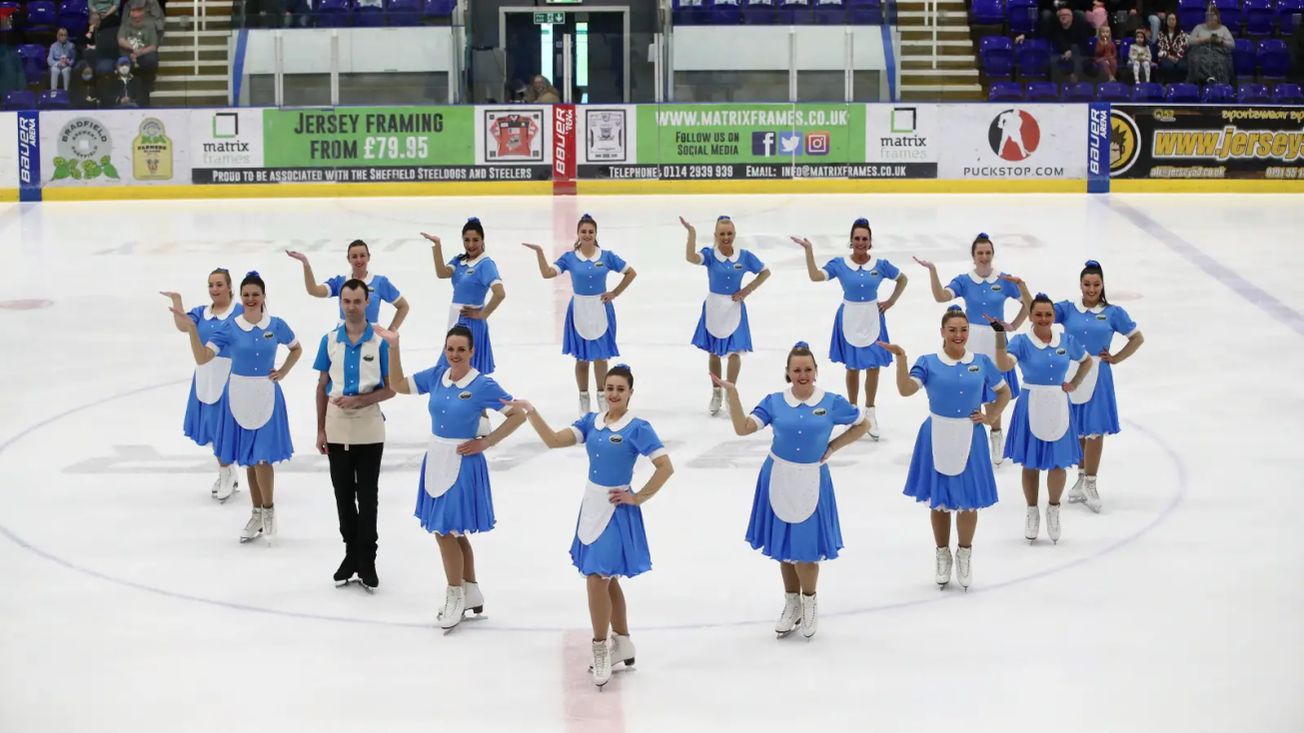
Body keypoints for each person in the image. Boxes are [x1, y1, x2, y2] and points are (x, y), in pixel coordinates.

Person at [506, 364, 674, 687]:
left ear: (630, 393)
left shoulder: (638, 428)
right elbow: (555, 440)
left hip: (616, 509)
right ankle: (622, 641)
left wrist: (638, 497)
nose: (613, 394)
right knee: (608, 582)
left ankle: (600, 647)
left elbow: (665, 467)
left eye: (619, 389)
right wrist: (531, 411)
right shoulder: (591, 423)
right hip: (592, 506)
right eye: (609, 388)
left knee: (597, 579)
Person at [373, 324, 527, 631]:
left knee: (445, 532)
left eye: (461, 349)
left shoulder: (482, 385)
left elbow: (518, 413)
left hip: (463, 462)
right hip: (437, 458)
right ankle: (470, 590)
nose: (454, 355)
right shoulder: (437, 375)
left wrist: (487, 441)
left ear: (472, 352)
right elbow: (399, 384)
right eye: (450, 348)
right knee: (454, 532)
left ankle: (454, 594)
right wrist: (393, 346)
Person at [713, 342, 868, 639]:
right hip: (779, 476)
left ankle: (810, 602)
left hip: (812, 478)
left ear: (816, 371)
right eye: (797, 370)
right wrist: (732, 394)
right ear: (787, 372)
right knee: (785, 546)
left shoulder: (831, 402)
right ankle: (792, 603)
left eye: (808, 369)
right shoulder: (774, 402)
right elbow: (744, 428)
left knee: (806, 549)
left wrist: (834, 447)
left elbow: (863, 424)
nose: (803, 374)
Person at [880, 307, 1011, 590]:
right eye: (952, 329)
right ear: (942, 332)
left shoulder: (981, 361)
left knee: (969, 500)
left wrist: (991, 417)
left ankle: (964, 553)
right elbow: (905, 389)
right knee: (939, 499)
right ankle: (942, 553)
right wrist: (901, 359)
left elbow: (1004, 392)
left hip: (971, 434)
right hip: (937, 433)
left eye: (963, 329)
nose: (958, 335)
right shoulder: (928, 363)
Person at [169, 271, 302, 544]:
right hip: (238, 396)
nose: (251, 299)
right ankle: (256, 513)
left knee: (263, 457)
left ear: (264, 296)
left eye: (255, 294)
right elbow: (203, 357)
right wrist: (193, 329)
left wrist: (284, 372)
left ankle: (269, 510)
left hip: (266, 395)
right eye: (246, 295)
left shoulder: (275, 325)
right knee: (250, 460)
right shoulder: (230, 328)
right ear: (240, 296)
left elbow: (296, 348)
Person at [915, 233, 1031, 466]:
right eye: (980, 253)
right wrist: (933, 271)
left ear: (992, 254)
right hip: (971, 337)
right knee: (972, 388)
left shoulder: (1004, 280)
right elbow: (941, 297)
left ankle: (996, 436)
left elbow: (1029, 306)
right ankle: (968, 438)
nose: (984, 257)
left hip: (996, 340)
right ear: (973, 256)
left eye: (988, 252)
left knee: (997, 390)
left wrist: (1015, 323)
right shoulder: (965, 281)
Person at [792, 218, 907, 441]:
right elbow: (816, 276)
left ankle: (870, 412)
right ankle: (854, 413)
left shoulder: (881, 265)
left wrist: (891, 301)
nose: (861, 242)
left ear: (870, 242)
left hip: (873, 317)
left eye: (865, 239)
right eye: (857, 239)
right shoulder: (840, 264)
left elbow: (902, 279)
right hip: (850, 317)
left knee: (873, 366)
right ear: (851, 241)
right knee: (852, 367)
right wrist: (809, 251)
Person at [313, 279, 395, 592]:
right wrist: (320, 428)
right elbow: (322, 386)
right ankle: (351, 553)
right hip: (336, 426)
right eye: (346, 301)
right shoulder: (330, 340)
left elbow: (392, 388)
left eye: (357, 301)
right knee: (343, 495)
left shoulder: (380, 341)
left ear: (367, 302)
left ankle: (367, 558)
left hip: (369, 426)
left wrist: (360, 400)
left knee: (368, 495)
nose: (351, 306)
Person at [991, 294, 1093, 544]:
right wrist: (998, 336)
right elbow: (1004, 365)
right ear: (1031, 316)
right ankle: (1032, 510)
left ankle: (1054, 509)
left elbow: (1087, 361)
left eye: (1048, 314)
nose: (1044, 319)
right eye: (1039, 314)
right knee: (1031, 463)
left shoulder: (1066, 340)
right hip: (1031, 402)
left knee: (1058, 463)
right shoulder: (1022, 342)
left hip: (1058, 402)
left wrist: (1075, 382)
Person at [522, 213, 638, 416]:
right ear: (577, 234)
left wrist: (615, 293)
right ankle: (584, 399)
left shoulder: (607, 256)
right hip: (579, 310)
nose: (587, 235)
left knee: (601, 357)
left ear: (595, 234)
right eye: (583, 231)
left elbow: (631, 273)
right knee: (582, 359)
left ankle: (602, 397)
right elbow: (548, 273)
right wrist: (540, 253)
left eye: (590, 232)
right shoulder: (569, 258)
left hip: (601, 308)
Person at [1054, 260, 1144, 513]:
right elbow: (1039, 313)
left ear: (1102, 284)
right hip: (1073, 370)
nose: (1091, 289)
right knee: (1080, 429)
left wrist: (1115, 357)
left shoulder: (1113, 313)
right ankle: (1081, 478)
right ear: (1080, 285)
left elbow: (1137, 338)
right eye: (1087, 284)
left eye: (1096, 284)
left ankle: (1091, 482)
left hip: (1098, 374)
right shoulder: (1068, 309)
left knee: (1095, 430)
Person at [161, 268, 243, 502]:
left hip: (231, 375)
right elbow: (183, 326)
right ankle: (226, 472)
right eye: (211, 285)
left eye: (219, 284)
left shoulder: (238, 312)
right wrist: (177, 300)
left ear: (229, 286)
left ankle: (227, 472)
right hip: (206, 375)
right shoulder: (202, 313)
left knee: (222, 428)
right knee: (211, 426)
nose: (214, 289)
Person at [681, 215, 771, 416]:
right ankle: (716, 392)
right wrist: (692, 234)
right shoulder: (710, 255)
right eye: (722, 234)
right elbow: (691, 258)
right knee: (713, 352)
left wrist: (747, 290)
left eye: (729, 233)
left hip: (734, 307)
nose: (726, 237)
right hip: (714, 306)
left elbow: (765, 272)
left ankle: (730, 392)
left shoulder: (744, 256)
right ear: (715, 235)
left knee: (734, 352)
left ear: (734, 234)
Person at [423, 218, 506, 375]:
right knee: (453, 371)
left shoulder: (485, 264)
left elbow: (500, 293)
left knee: (460, 371)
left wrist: (482, 314)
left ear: (482, 241)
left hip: (470, 324)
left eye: (475, 240)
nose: (471, 244)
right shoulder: (460, 260)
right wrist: (437, 246)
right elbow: (442, 273)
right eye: (466, 240)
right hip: (456, 320)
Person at [285, 240, 409, 330]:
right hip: (342, 338)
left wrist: (391, 332)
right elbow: (314, 290)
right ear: (348, 259)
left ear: (368, 257)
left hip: (372, 339)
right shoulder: (340, 282)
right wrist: (305, 263)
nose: (359, 260)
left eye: (362, 255)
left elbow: (403, 306)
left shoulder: (380, 282)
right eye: (354, 256)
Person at [116, 3, 158, 100]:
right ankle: (126, 93)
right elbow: (121, 40)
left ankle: (148, 87)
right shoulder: (125, 25)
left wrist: (140, 52)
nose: (137, 20)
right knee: (124, 61)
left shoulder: (150, 25)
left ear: (143, 17)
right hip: (128, 54)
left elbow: (153, 46)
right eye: (134, 18)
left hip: (144, 54)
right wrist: (133, 49)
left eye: (139, 17)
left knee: (151, 60)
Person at [1186, 5, 1234, 84]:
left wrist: (1221, 41)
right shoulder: (1199, 27)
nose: (1211, 21)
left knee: (1220, 61)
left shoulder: (1223, 28)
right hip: (1201, 50)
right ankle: (1201, 82)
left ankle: (1217, 82)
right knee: (1197, 60)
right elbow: (1189, 41)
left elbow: (1232, 45)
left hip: (1218, 51)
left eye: (1213, 18)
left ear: (1217, 18)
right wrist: (1204, 39)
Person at [1156, 13, 1189, 83]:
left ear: (1176, 21)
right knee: (1168, 66)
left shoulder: (1181, 33)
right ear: (1166, 21)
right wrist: (1169, 56)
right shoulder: (1161, 34)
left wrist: (1177, 57)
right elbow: (1160, 48)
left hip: (1179, 57)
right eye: (1169, 19)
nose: (1171, 21)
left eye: (1173, 19)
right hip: (1166, 57)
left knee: (1182, 66)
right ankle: (1168, 85)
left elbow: (1182, 47)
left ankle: (1181, 85)